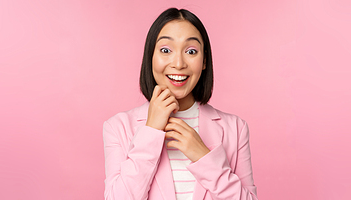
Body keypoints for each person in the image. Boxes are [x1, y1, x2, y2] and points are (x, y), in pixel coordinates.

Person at [103, 8, 258, 200]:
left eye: (191, 51)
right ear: (150, 56)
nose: (178, 63)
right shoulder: (117, 127)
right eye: (165, 50)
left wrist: (204, 158)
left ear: (204, 61)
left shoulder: (236, 128)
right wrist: (150, 131)